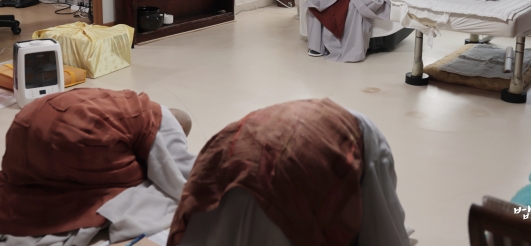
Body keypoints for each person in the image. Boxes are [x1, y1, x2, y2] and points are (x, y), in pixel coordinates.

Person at [0, 88, 196, 246]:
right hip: (76, 137)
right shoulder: (164, 124)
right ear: (177, 128)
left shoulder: (126, 101)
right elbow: (178, 176)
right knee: (140, 176)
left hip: (27, 121)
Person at [168, 98, 412, 246]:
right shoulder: (367, 142)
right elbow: (384, 230)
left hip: (220, 169)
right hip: (282, 197)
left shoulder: (348, 128)